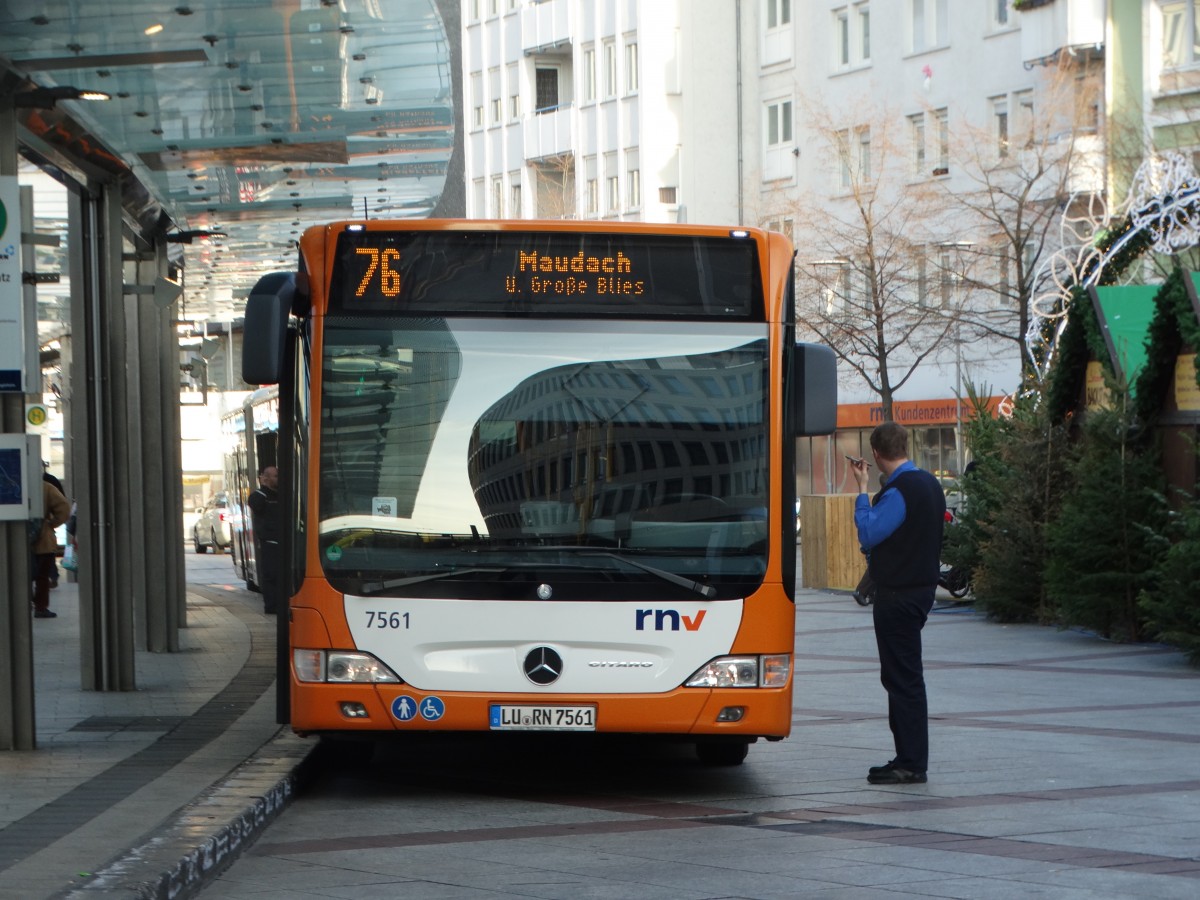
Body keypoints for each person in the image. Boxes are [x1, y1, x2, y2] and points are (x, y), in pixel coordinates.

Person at [850, 421, 946, 785]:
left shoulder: (900, 491)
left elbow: (870, 531)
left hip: (898, 595)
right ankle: (908, 757)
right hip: (920, 590)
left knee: (901, 678)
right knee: (905, 675)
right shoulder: (929, 484)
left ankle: (910, 762)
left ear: (875, 453)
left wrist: (861, 489)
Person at [32, 478, 71, 619]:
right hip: (43, 540)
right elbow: (64, 509)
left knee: (16, 575)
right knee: (42, 577)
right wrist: (50, 524)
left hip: (13, 540)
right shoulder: (46, 487)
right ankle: (40, 607)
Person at [247, 465, 282, 615]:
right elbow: (254, 505)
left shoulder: (283, 495)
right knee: (271, 575)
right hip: (270, 544)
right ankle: (271, 606)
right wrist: (263, 487)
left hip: (284, 543)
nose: (278, 479)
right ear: (266, 478)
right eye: (275, 476)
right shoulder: (260, 496)